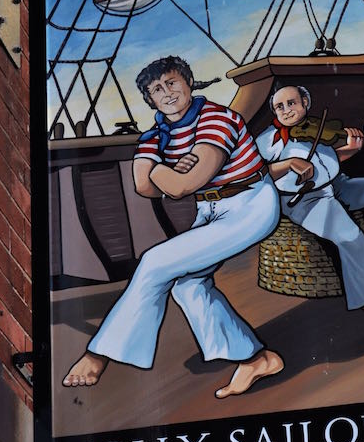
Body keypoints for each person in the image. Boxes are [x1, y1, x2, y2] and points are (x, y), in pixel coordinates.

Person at [62, 56, 284, 398]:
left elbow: (183, 185)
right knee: (187, 284)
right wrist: (170, 172)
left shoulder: (217, 118)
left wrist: (164, 171)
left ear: (188, 82)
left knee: (155, 262)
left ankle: (98, 355)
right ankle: (256, 359)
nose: (166, 92)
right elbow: (143, 186)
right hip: (209, 208)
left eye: (171, 82)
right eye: (156, 89)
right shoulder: (154, 135)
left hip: (249, 202)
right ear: (150, 99)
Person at [256, 82, 364, 335]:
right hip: (305, 198)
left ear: (305, 103)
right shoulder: (267, 140)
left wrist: (352, 150)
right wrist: (289, 163)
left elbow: (330, 161)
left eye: (292, 103)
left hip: (336, 184)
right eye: (280, 106)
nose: (287, 110)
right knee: (349, 235)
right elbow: (258, 175)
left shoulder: (317, 127)